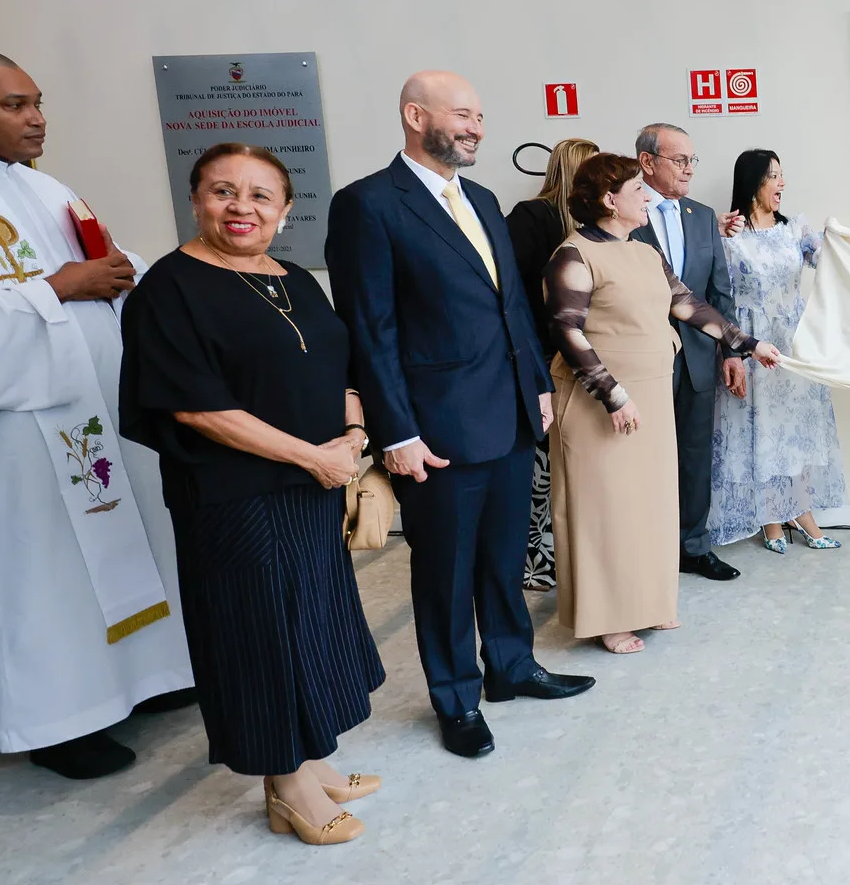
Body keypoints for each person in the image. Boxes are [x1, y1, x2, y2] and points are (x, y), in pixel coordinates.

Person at [0, 46, 193, 779]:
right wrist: (60, 287)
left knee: (116, 539)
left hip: (83, 404)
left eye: (37, 103)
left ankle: (139, 680)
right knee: (34, 567)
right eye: (14, 105)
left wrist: (120, 270)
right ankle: (52, 719)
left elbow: (97, 260)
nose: (36, 119)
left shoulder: (37, 186)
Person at [121, 143, 386, 845]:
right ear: (196, 197)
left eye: (260, 195)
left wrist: (353, 436)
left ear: (285, 207)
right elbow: (196, 407)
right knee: (259, 635)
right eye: (222, 191)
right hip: (234, 495)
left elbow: (340, 365)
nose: (241, 207)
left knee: (312, 618)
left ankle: (312, 752)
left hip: (312, 483)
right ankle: (286, 782)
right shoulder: (170, 288)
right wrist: (313, 456)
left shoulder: (294, 275)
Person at [326, 70, 593, 760]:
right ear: (415, 115)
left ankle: (511, 664)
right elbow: (370, 328)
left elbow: (513, 307)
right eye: (463, 114)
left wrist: (535, 383)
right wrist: (396, 432)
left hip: (505, 414)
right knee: (444, 573)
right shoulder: (368, 206)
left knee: (502, 558)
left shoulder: (479, 197)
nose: (476, 127)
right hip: (435, 428)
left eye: (479, 116)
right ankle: (455, 696)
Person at [546, 153, 781, 653]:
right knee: (606, 510)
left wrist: (748, 343)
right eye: (638, 191)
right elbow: (566, 329)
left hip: (651, 391)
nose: (648, 198)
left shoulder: (644, 252)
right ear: (610, 201)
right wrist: (612, 395)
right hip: (602, 401)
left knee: (649, 506)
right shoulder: (574, 254)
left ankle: (648, 604)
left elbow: (689, 306)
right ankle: (608, 618)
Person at [706, 149, 848, 551]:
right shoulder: (726, 234)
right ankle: (769, 516)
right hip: (749, 341)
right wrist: (728, 349)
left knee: (797, 428)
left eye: (782, 175)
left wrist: (839, 239)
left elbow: (831, 262)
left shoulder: (794, 229)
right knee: (759, 427)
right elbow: (715, 294)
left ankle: (800, 511)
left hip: (793, 342)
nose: (782, 183)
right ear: (753, 182)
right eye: (773, 176)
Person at [630, 122, 745, 581]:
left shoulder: (702, 215)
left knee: (694, 456)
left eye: (692, 161)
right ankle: (644, 551)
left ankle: (693, 547)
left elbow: (719, 291)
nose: (689, 170)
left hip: (698, 357)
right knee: (641, 458)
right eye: (680, 161)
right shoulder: (624, 211)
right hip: (641, 359)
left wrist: (733, 352)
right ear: (647, 163)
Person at [506, 136, 599, 592]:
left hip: (575, 358)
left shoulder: (589, 226)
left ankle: (555, 552)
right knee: (539, 468)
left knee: (566, 463)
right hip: (544, 359)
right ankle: (529, 560)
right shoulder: (532, 217)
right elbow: (514, 293)